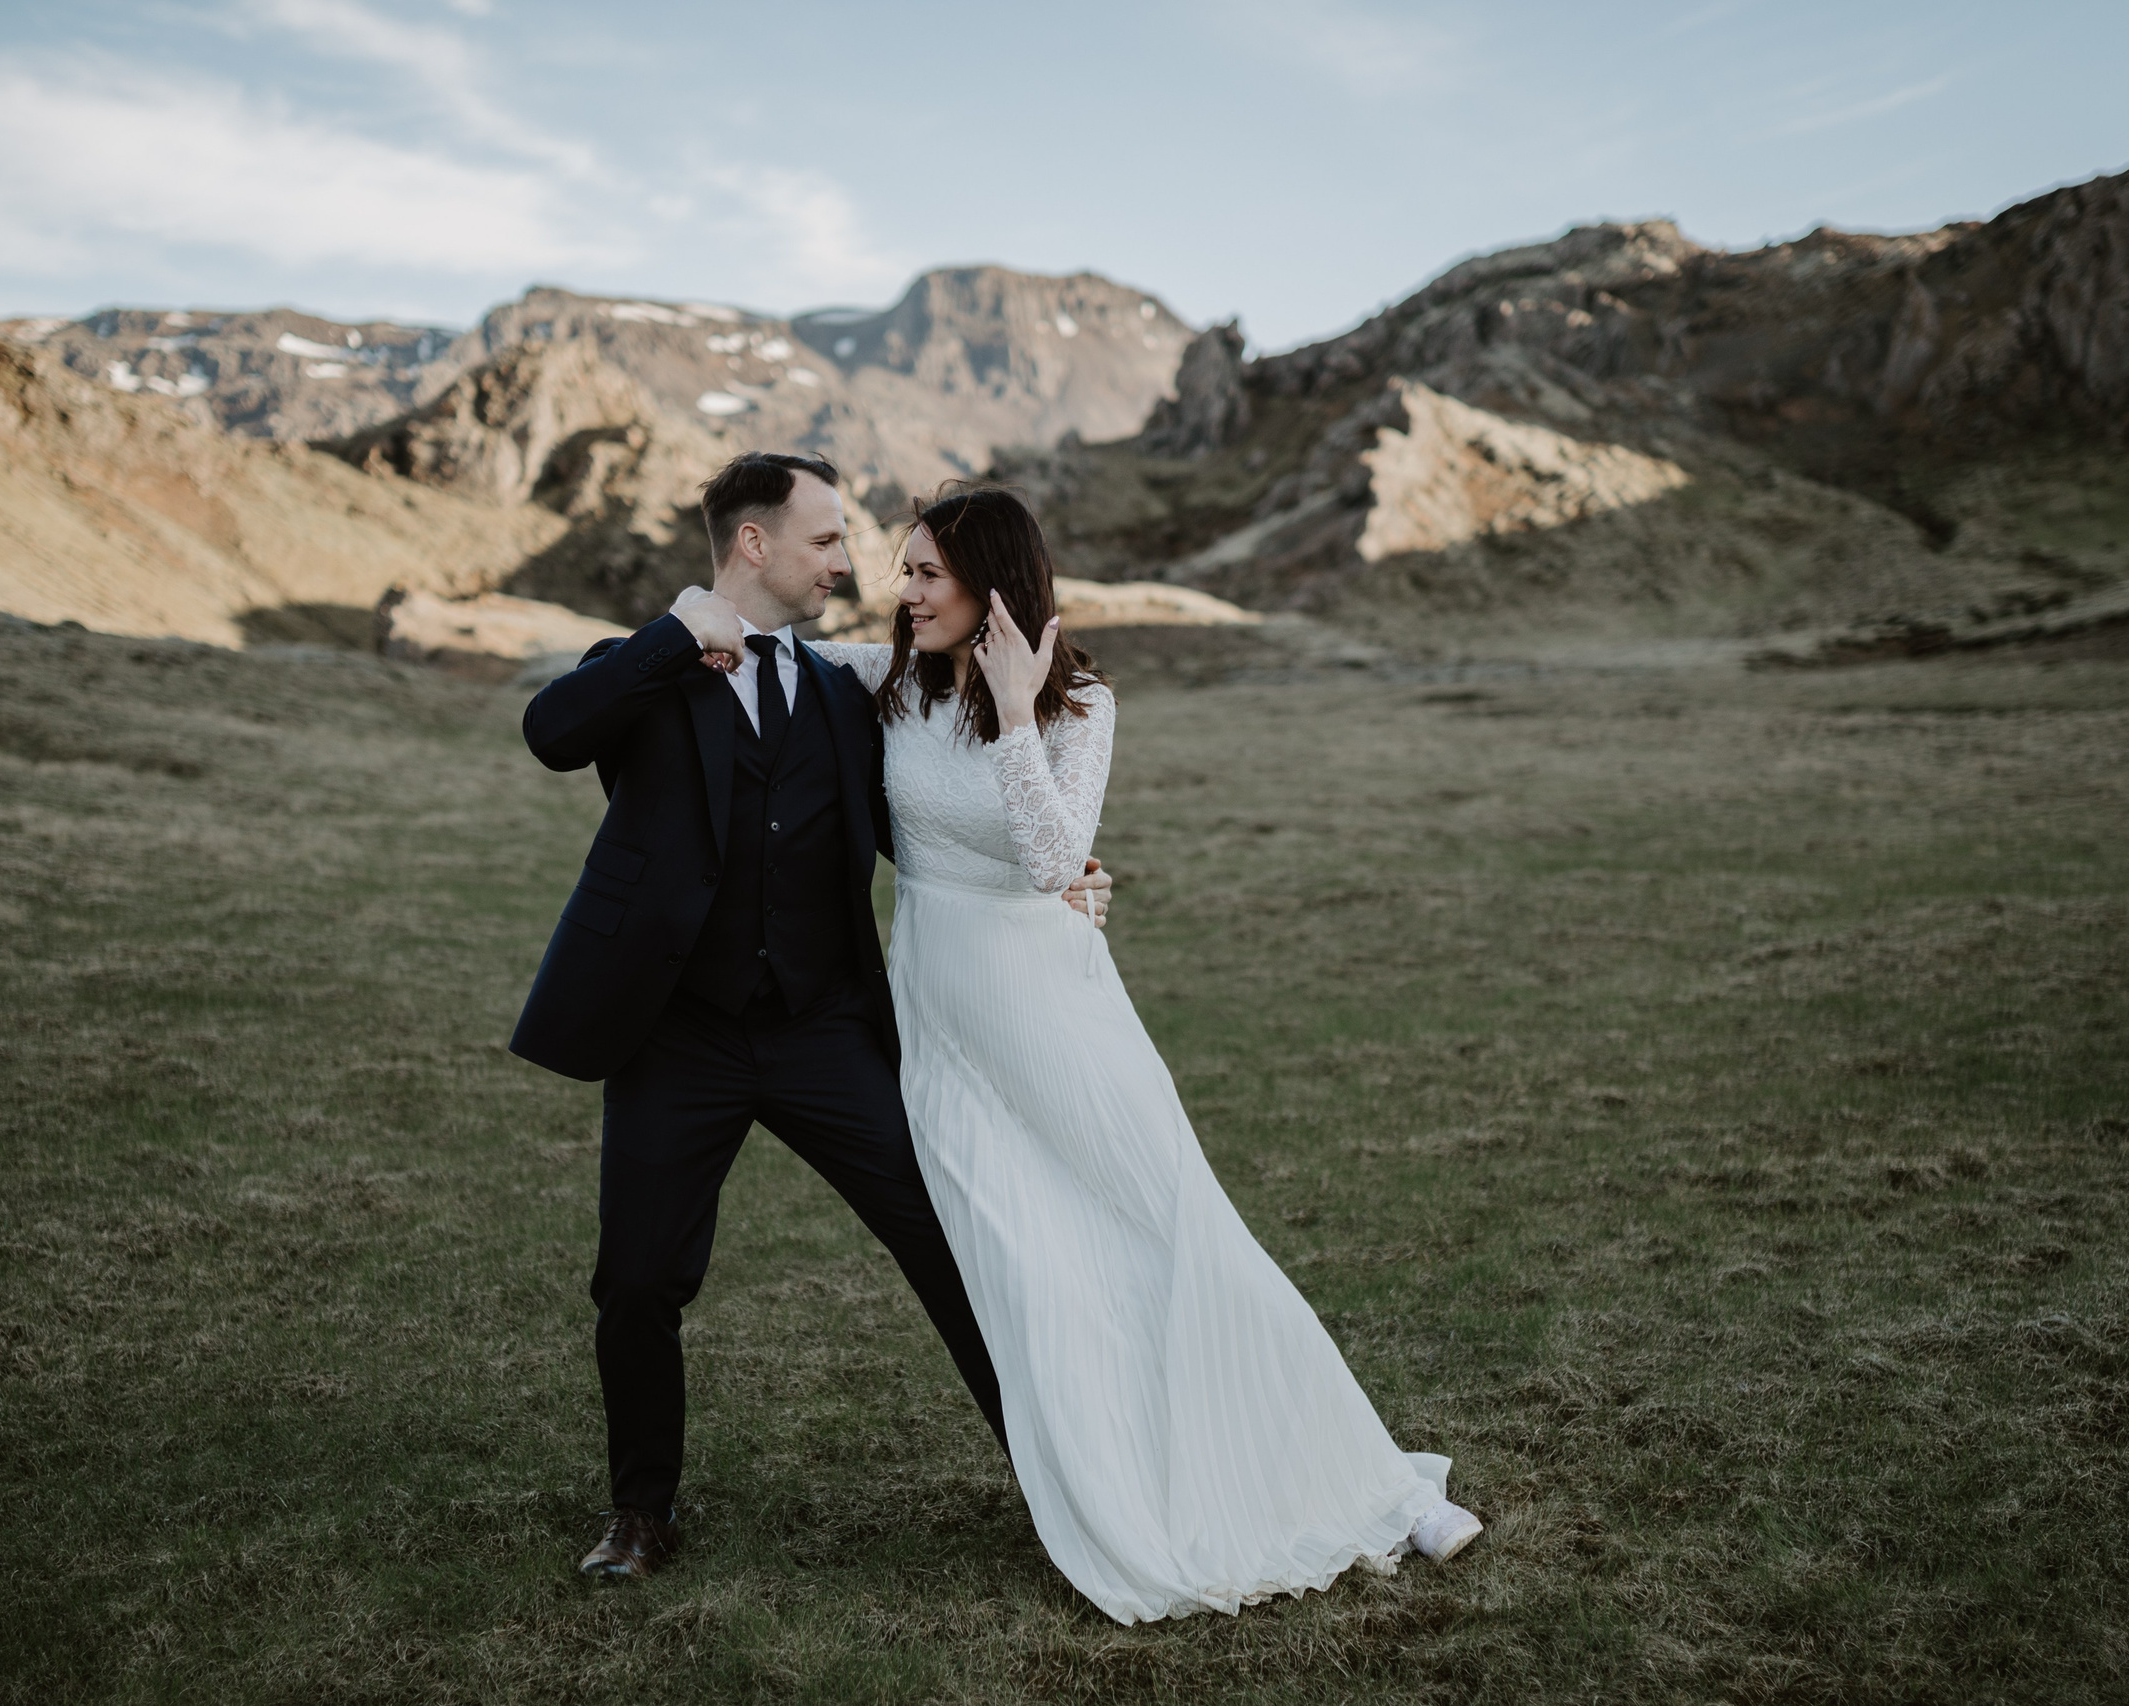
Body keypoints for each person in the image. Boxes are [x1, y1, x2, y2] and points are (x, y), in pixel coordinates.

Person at [687, 483, 1482, 1624]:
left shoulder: (1079, 701)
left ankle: (1377, 1486)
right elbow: (752, 635)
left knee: (1177, 1234)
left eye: (923, 574)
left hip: (1059, 1010)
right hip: (945, 1025)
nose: (899, 590)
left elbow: (1056, 854)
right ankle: (1122, 1477)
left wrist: (1014, 711)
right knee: (1038, 1269)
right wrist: (688, 615)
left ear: (988, 583)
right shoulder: (885, 678)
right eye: (900, 569)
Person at [510, 452, 1111, 1580]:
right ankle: (641, 1513)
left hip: (824, 1028)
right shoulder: (643, 671)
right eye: (829, 539)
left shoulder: (849, 689)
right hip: (675, 1032)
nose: (851, 561)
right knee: (637, 1277)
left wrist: (1068, 873)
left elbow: (928, 827)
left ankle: (1061, 1484)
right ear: (753, 545)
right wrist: (675, 632)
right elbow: (553, 729)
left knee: (949, 1245)